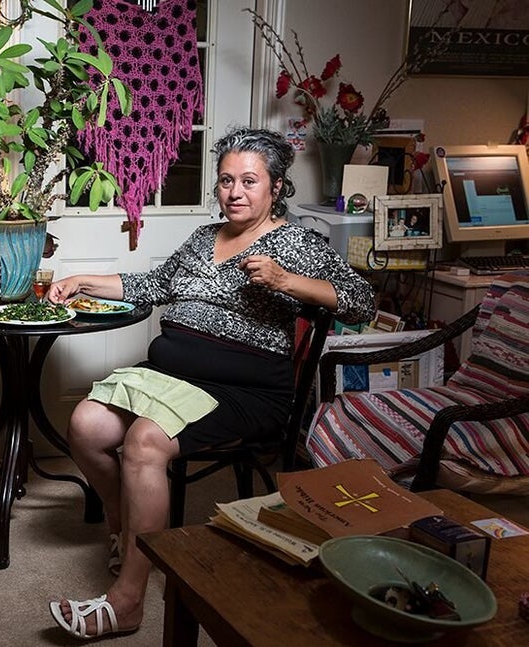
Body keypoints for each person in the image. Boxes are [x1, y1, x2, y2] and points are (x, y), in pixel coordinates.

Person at [47, 127, 376, 639]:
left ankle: (128, 601)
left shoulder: (295, 243)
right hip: (173, 376)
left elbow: (362, 301)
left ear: (276, 187)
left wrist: (287, 281)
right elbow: (152, 286)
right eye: (226, 180)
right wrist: (80, 278)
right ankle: (125, 526)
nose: (235, 191)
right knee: (86, 424)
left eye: (250, 180)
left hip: (244, 389)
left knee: (144, 441)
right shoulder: (205, 238)